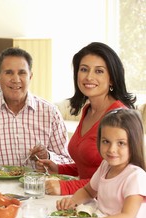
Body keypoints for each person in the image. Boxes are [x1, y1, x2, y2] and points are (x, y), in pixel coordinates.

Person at [36, 42, 136, 195]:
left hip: (108, 206)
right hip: (84, 201)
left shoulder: (119, 117)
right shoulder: (88, 110)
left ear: (112, 79)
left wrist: (65, 187)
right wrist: (58, 168)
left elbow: (115, 178)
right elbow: (90, 165)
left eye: (99, 71)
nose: (89, 77)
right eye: (84, 69)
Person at [48, 109, 146, 218]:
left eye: (121, 143)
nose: (112, 149)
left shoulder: (135, 176)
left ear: (134, 143)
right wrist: (72, 201)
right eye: (106, 141)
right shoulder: (105, 166)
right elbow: (88, 191)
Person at [0, 47, 73, 170]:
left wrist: (48, 156)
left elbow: (67, 160)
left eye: (22, 73)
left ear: (30, 76)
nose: (16, 79)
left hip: (38, 187)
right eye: (9, 72)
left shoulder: (50, 112)